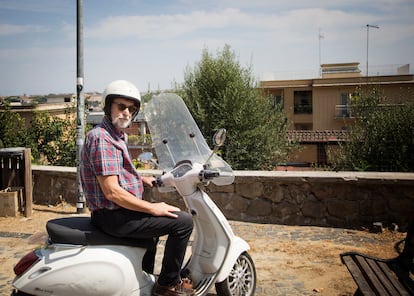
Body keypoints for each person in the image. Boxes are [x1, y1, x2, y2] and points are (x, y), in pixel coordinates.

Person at [80, 80, 194, 296]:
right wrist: (152, 208)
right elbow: (111, 192)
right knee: (182, 222)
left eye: (131, 109)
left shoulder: (116, 135)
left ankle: (141, 281)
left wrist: (141, 179)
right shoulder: (102, 138)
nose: (126, 113)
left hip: (119, 212)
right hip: (113, 215)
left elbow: (114, 171)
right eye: (121, 106)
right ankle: (167, 285)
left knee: (151, 235)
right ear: (108, 106)